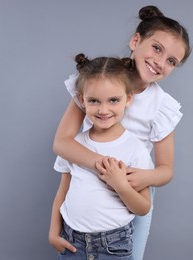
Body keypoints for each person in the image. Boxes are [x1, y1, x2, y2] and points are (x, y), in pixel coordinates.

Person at [53, 5, 191, 260]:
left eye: (172, 61)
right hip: (87, 182)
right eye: (157, 48)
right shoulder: (97, 78)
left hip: (132, 190)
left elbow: (165, 169)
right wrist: (107, 168)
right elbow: (62, 143)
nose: (160, 62)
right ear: (136, 40)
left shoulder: (162, 107)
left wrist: (143, 178)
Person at [49, 53, 154, 259]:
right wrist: (53, 232)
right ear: (82, 100)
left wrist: (120, 185)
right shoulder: (74, 145)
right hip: (72, 242)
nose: (103, 110)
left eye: (113, 100)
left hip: (113, 246)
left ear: (128, 99)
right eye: (94, 101)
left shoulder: (135, 150)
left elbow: (143, 208)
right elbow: (63, 191)